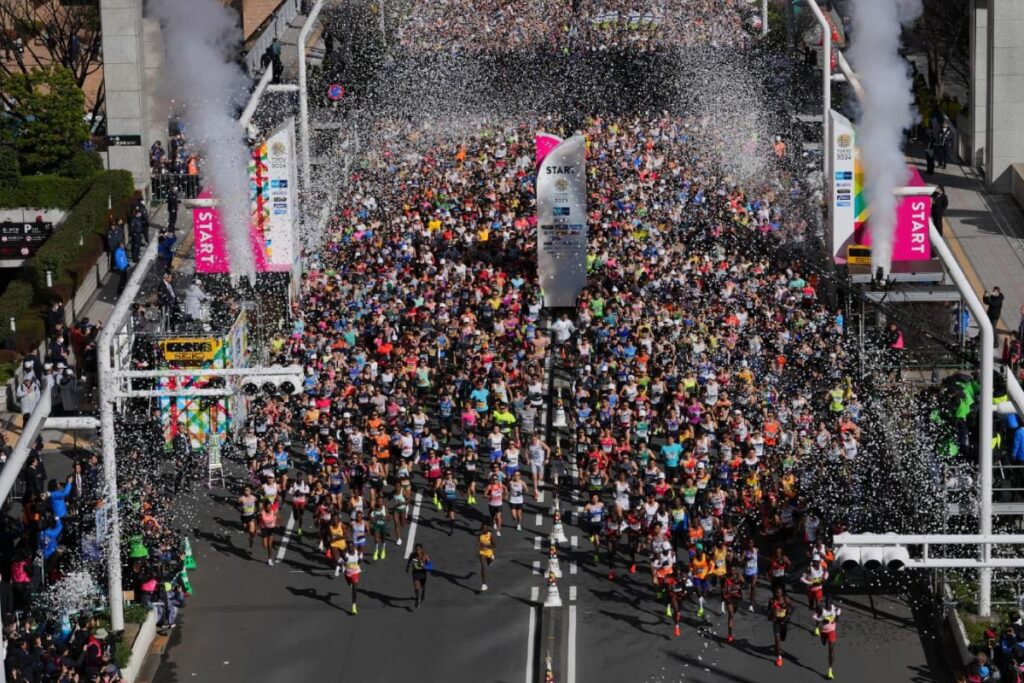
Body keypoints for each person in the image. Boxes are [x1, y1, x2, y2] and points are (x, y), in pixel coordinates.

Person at [813, 598, 841, 679]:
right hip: (823, 631)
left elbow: (837, 618)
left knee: (831, 650)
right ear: (825, 603)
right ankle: (819, 633)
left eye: (829, 603)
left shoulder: (835, 609)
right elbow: (816, 617)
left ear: (832, 603)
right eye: (826, 603)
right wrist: (821, 620)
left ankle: (830, 670)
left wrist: (834, 618)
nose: (828, 604)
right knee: (823, 643)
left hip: (832, 631)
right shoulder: (822, 609)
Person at [768, 586, 794, 668]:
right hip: (776, 621)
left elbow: (792, 608)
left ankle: (776, 646)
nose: (778, 594)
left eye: (779, 592)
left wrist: (788, 615)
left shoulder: (786, 599)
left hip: (784, 621)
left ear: (782, 593)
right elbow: (768, 611)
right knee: (777, 638)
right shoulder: (772, 600)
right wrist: (771, 615)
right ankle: (779, 657)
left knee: (782, 638)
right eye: (776, 592)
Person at [406, 543, 431, 608]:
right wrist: (407, 568)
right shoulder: (412, 555)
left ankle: (423, 592)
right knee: (417, 587)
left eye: (419, 550)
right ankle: (417, 599)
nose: (417, 551)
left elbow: (431, 566)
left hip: (423, 574)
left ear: (422, 550)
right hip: (415, 574)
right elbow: (409, 561)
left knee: (422, 587)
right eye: (416, 550)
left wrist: (424, 566)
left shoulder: (425, 556)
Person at [342, 545, 362, 614]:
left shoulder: (358, 552)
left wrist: (356, 565)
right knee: (350, 584)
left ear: (353, 547)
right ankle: (351, 584)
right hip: (347, 574)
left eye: (351, 547)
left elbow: (360, 560)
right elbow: (341, 562)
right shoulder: (345, 554)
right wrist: (342, 564)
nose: (350, 548)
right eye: (349, 547)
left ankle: (354, 606)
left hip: (355, 573)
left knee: (354, 590)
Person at [238, 486, 258, 552]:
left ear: (250, 491)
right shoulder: (241, 499)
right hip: (244, 517)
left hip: (251, 516)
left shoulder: (253, 498)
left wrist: (256, 510)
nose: (246, 492)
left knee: (251, 531)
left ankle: (251, 542)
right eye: (245, 490)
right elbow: (237, 505)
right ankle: (250, 533)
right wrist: (241, 509)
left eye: (248, 490)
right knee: (246, 529)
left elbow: (258, 503)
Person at [477, 523, 495, 591]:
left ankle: (492, 558)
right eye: (482, 528)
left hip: (489, 551)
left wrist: (486, 546)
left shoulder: (490, 535)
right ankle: (484, 584)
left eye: (484, 528)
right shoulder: (479, 535)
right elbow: (478, 542)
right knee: (482, 566)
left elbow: (494, 545)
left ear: (487, 528)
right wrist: (478, 544)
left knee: (488, 563)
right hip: (482, 552)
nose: (483, 529)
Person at [258, 500, 277, 566]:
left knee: (269, 545)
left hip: (271, 529)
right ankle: (264, 541)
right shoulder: (262, 513)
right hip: (264, 529)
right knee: (265, 546)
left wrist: (277, 524)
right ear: (265, 507)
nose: (269, 508)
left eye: (270, 507)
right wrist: (257, 528)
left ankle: (269, 559)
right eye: (268, 507)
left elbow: (278, 518)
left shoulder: (273, 511)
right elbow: (258, 520)